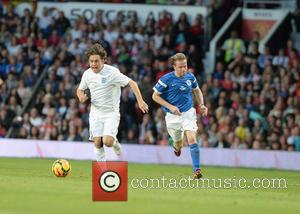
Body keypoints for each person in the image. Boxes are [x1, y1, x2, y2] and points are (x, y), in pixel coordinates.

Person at [77, 43, 148, 162]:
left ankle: (115, 143)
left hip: (111, 113)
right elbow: (80, 89)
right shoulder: (87, 74)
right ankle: (102, 172)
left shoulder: (112, 73)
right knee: (97, 142)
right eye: (91, 61)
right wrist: (81, 97)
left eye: (96, 61)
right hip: (95, 113)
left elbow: (132, 83)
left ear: (103, 60)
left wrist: (140, 101)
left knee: (107, 142)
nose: (93, 64)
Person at [152, 53, 208, 179]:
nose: (184, 69)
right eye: (181, 67)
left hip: (188, 113)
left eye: (185, 66)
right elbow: (155, 96)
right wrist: (170, 106)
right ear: (174, 67)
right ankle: (176, 147)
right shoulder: (166, 79)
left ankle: (196, 170)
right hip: (172, 116)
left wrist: (202, 104)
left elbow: (197, 90)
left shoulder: (190, 77)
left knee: (192, 139)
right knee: (178, 143)